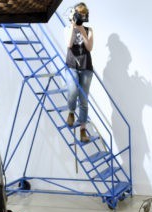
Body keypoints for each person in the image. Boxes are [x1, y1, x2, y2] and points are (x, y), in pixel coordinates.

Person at [65, 2, 94, 143]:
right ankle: (71, 111)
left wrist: (82, 30)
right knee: (72, 91)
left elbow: (89, 47)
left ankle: (83, 130)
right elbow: (69, 44)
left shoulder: (89, 30)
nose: (80, 17)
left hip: (86, 67)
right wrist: (73, 26)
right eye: (78, 14)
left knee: (83, 99)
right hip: (72, 65)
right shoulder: (67, 28)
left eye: (82, 15)